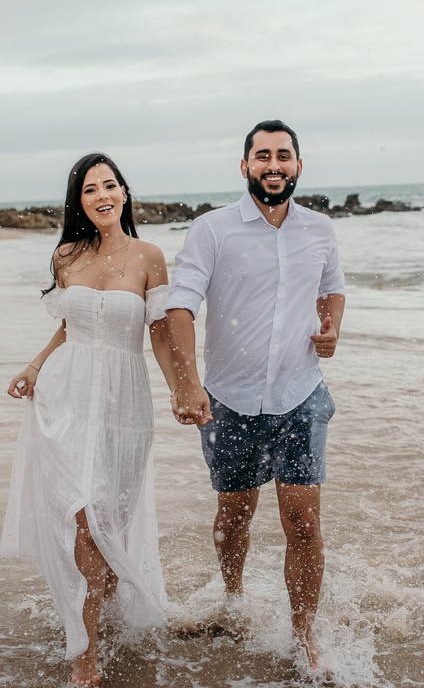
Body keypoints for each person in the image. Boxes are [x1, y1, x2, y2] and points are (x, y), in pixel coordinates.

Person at [167, 120, 346, 673]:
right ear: (244, 166)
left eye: (284, 155)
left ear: (298, 165)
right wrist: (188, 383)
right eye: (262, 155)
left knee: (303, 523)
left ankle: (305, 639)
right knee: (235, 516)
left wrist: (331, 330)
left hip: (300, 394)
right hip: (229, 401)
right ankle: (233, 596)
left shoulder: (320, 230)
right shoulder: (213, 230)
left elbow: (332, 289)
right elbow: (180, 306)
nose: (274, 164)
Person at [1, 152, 178, 687]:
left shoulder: (150, 257)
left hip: (125, 405)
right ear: (78, 202)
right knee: (84, 516)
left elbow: (162, 336)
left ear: (125, 193)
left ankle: (100, 605)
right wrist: (35, 366)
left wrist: (183, 392)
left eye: (109, 185)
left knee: (109, 519)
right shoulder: (66, 256)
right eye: (88, 190)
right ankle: (87, 652)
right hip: (67, 396)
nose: (101, 196)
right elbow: (68, 327)